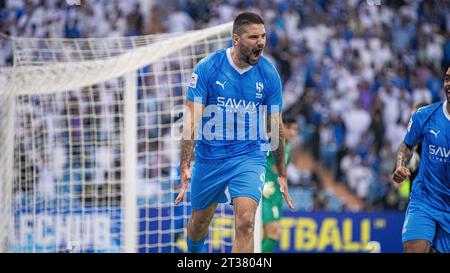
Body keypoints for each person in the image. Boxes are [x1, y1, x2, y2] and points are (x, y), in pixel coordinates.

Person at [174, 12, 294, 253]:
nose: (260, 42)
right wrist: (185, 164)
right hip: (211, 158)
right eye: (253, 37)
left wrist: (281, 171)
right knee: (198, 225)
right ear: (236, 39)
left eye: (263, 36)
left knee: (246, 222)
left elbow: (274, 127)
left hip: (249, 157)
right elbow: (191, 122)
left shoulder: (269, 74)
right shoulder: (208, 68)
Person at [391, 66, 450, 253]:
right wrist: (400, 165)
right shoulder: (425, 115)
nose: (449, 84)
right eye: (447, 78)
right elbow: (407, 145)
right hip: (424, 200)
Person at [261, 116, 298, 253]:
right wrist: (262, 182)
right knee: (273, 232)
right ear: (283, 127)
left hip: (276, 193)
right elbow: (258, 158)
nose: (293, 132)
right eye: (290, 128)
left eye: (296, 130)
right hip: (267, 191)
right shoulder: (273, 142)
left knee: (268, 234)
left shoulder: (288, 148)